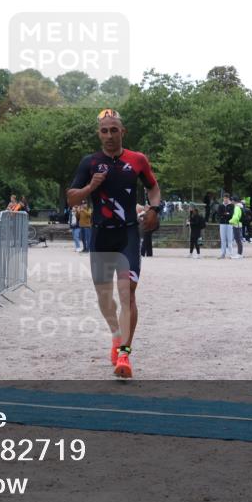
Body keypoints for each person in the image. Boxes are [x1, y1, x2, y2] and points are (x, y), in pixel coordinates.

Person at [66, 108, 161, 379]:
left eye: (114, 130)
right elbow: (71, 198)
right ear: (99, 133)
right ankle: (116, 335)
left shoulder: (138, 160)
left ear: (123, 131)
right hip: (100, 234)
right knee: (104, 297)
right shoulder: (90, 162)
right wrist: (90, 187)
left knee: (127, 292)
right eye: (104, 130)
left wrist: (155, 207)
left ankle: (125, 354)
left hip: (128, 233)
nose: (109, 135)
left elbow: (153, 187)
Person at [216, 193, 235, 259]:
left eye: (226, 198)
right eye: (224, 198)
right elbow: (219, 215)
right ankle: (223, 254)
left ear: (228, 198)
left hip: (229, 224)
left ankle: (231, 254)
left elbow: (231, 215)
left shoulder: (232, 205)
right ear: (223, 198)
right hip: (222, 224)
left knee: (229, 239)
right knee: (223, 239)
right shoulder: (220, 205)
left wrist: (224, 215)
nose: (225, 199)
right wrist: (226, 214)